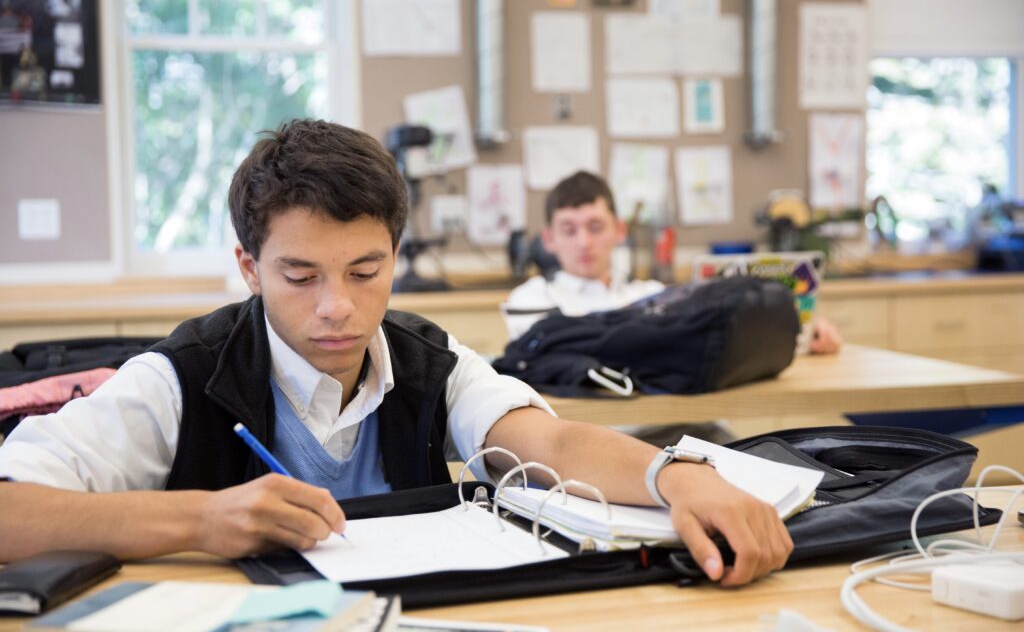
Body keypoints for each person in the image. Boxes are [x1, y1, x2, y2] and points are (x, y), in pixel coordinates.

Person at [0, 120, 790, 588]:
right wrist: (204, 516)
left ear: (396, 254)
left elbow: (549, 443)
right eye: (300, 276)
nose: (337, 305)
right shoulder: (179, 378)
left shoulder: (429, 363)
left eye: (365, 271)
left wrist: (677, 474)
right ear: (249, 268)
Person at [505, 171, 843, 353]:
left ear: (619, 230)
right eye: (569, 229)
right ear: (549, 239)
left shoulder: (653, 295)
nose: (584, 242)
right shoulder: (531, 300)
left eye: (595, 227)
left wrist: (800, 333)